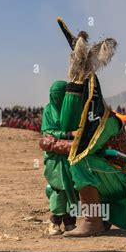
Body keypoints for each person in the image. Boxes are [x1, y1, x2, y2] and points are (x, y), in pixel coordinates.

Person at [40, 17, 126, 237]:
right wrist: (56, 140)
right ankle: (94, 216)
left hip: (121, 175)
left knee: (79, 159)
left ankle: (92, 221)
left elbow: (80, 147)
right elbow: (62, 133)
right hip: (108, 171)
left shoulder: (105, 121)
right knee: (68, 165)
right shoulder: (68, 116)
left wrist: (52, 142)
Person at [41, 81, 78, 235]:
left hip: (70, 154)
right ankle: (54, 222)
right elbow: (48, 132)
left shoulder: (71, 110)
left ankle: (70, 222)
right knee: (58, 188)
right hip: (55, 157)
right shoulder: (48, 111)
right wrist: (67, 135)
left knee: (72, 187)